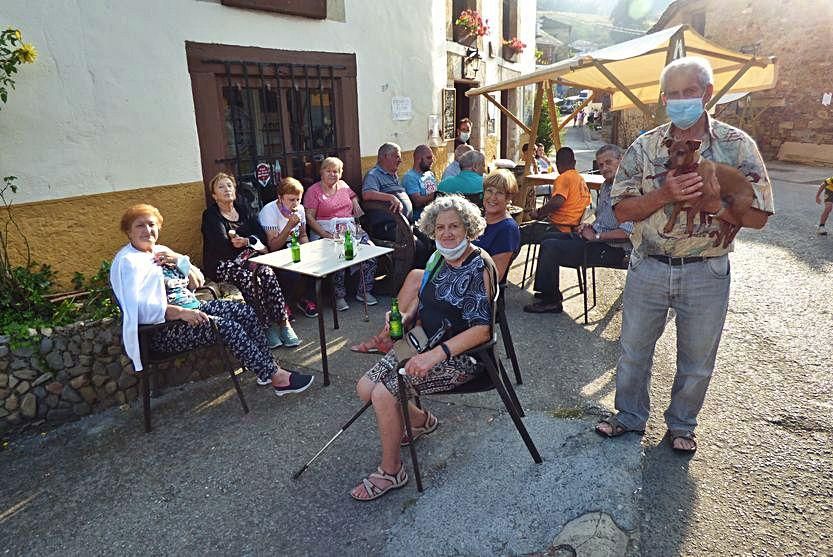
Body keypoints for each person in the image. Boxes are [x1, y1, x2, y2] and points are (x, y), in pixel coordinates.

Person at [594, 56, 774, 453]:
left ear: (706, 94)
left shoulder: (737, 146)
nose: (680, 101)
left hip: (706, 271)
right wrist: (666, 195)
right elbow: (622, 209)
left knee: (696, 360)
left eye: (688, 92)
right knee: (633, 352)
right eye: (672, 94)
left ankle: (682, 425)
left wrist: (714, 207)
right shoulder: (644, 147)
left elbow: (760, 217)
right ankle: (628, 416)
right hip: (649, 266)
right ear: (663, 99)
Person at [350, 196, 494, 501]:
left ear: (468, 227)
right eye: (440, 227)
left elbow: (482, 329)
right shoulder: (439, 258)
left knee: (383, 393)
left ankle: (392, 471)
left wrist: (435, 355)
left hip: (461, 358)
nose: (446, 233)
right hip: (420, 341)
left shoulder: (478, 265)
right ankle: (422, 421)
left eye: (454, 225)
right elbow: (423, 303)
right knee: (365, 387)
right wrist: (401, 318)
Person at [110, 204, 314, 396]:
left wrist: (180, 261)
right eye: (140, 225)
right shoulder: (127, 262)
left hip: (195, 309)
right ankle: (276, 377)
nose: (148, 230)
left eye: (152, 224)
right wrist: (181, 313)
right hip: (164, 329)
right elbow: (137, 307)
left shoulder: (160, 251)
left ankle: (267, 369)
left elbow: (197, 281)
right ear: (128, 231)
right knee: (227, 327)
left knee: (245, 311)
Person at [350, 171, 520, 354]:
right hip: (455, 275)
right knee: (419, 276)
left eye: (499, 193)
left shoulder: (507, 228)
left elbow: (495, 275)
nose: (492, 197)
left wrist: (448, 277)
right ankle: (393, 334)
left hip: (475, 291)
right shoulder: (481, 219)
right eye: (489, 191)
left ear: (508, 197)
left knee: (423, 280)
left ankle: (393, 338)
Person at [523, 144, 632, 314]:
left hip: (613, 250)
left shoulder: (629, 190)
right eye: (601, 165)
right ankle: (547, 292)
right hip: (593, 238)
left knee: (550, 246)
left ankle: (552, 301)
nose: (604, 168)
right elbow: (601, 217)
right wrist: (588, 226)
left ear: (621, 161)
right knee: (547, 240)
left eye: (608, 162)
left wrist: (596, 236)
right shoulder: (605, 186)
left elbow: (627, 233)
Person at [201, 172, 300, 348]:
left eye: (229, 185)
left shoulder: (243, 208)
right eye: (221, 187)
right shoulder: (211, 216)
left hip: (248, 255)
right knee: (249, 278)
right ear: (214, 195)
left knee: (267, 272)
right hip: (223, 263)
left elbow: (260, 234)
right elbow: (222, 246)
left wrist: (247, 241)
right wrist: (245, 242)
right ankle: (266, 327)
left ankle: (284, 324)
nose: (227, 189)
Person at [304, 157, 378, 311]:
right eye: (328, 170)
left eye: (336, 171)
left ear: (341, 173)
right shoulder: (313, 191)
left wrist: (355, 201)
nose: (332, 174)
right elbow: (309, 217)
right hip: (326, 230)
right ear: (321, 172)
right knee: (338, 256)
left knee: (371, 251)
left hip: (350, 228)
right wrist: (325, 234)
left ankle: (364, 291)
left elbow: (353, 196)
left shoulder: (343, 185)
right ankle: (339, 296)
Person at [259, 177, 319, 318]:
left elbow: (302, 235)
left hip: (294, 246)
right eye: (291, 200)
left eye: (298, 199)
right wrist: (288, 226)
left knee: (315, 266)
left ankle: (305, 299)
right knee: (290, 273)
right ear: (280, 198)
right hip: (276, 250)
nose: (295, 204)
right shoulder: (269, 211)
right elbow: (272, 246)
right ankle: (283, 303)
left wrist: (309, 250)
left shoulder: (300, 209)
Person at [528, 147, 590, 232]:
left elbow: (557, 202)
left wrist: (539, 213)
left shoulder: (564, 178)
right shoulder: (580, 179)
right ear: (574, 163)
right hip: (572, 226)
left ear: (557, 164)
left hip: (559, 226)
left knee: (520, 233)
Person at [362, 143, 413, 240]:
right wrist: (391, 197)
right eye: (397, 157)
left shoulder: (393, 175)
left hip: (404, 225)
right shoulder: (373, 175)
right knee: (419, 246)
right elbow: (367, 194)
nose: (400, 161)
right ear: (385, 156)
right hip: (388, 227)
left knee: (429, 240)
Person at [401, 144, 437, 221]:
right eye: (428, 158)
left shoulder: (429, 174)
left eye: (432, 157)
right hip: (420, 220)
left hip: (434, 216)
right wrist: (436, 195)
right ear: (418, 159)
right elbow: (417, 202)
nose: (432, 160)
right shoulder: (410, 177)